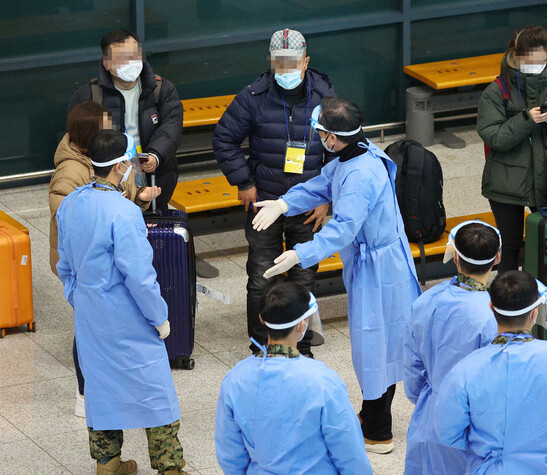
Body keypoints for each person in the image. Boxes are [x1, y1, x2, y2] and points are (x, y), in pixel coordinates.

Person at [252, 97, 422, 453]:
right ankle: (373, 414)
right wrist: (285, 203)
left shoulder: (361, 173)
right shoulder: (354, 153)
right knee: (379, 344)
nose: (318, 138)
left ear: (332, 137)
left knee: (375, 346)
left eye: (320, 132)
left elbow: (343, 227)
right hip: (374, 262)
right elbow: (323, 185)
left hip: (380, 269)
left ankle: (378, 431)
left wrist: (300, 254)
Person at [56, 130, 189, 475]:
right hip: (130, 318)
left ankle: (108, 465)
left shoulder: (72, 202)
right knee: (154, 391)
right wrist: (160, 318)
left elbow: (64, 266)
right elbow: (139, 277)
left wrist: (83, 299)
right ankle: (170, 468)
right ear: (120, 166)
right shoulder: (124, 213)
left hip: (90, 317)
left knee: (101, 391)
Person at [212, 28, 335, 356]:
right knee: (261, 278)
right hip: (264, 201)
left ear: (306, 61)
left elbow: (339, 152)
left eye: (292, 63)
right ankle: (260, 347)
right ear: (271, 63)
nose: (286, 71)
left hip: (308, 206)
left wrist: (327, 198)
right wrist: (244, 182)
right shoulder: (253, 97)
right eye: (279, 64)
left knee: (303, 278)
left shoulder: (325, 97)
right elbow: (223, 138)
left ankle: (303, 347)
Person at [49, 101, 160, 419]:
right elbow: (67, 213)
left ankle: (113, 385)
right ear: (89, 136)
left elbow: (122, 187)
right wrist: (110, 208)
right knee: (86, 328)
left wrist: (137, 197)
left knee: (110, 324)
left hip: (108, 257)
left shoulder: (108, 159)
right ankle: (85, 393)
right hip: (85, 261)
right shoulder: (70, 170)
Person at [433, 271, 547, 474]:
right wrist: (544, 436)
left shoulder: (465, 371)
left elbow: (447, 432)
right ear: (534, 313)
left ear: (491, 308)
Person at [215, 282, 372, 474]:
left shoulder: (235, 379)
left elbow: (230, 453)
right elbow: (349, 451)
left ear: (261, 320)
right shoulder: (323, 381)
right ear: (302, 325)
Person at [477, 25, 547, 272]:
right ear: (517, 56)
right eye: (531, 62)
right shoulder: (497, 91)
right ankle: (507, 301)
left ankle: (544, 299)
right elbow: (493, 136)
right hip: (506, 184)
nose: (537, 66)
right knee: (510, 246)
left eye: (542, 61)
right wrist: (526, 120)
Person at [403, 221, 501, 474]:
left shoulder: (427, 300)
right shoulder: (493, 317)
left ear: (455, 256)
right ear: (497, 257)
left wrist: (430, 399)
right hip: (472, 427)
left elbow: (413, 368)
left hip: (429, 417)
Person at [69, 29, 183, 210]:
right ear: (107, 63)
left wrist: (156, 155)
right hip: (110, 174)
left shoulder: (161, 88)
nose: (131, 63)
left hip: (154, 172)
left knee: (154, 224)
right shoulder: (89, 95)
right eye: (123, 58)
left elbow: (172, 126)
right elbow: (79, 138)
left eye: (134, 55)